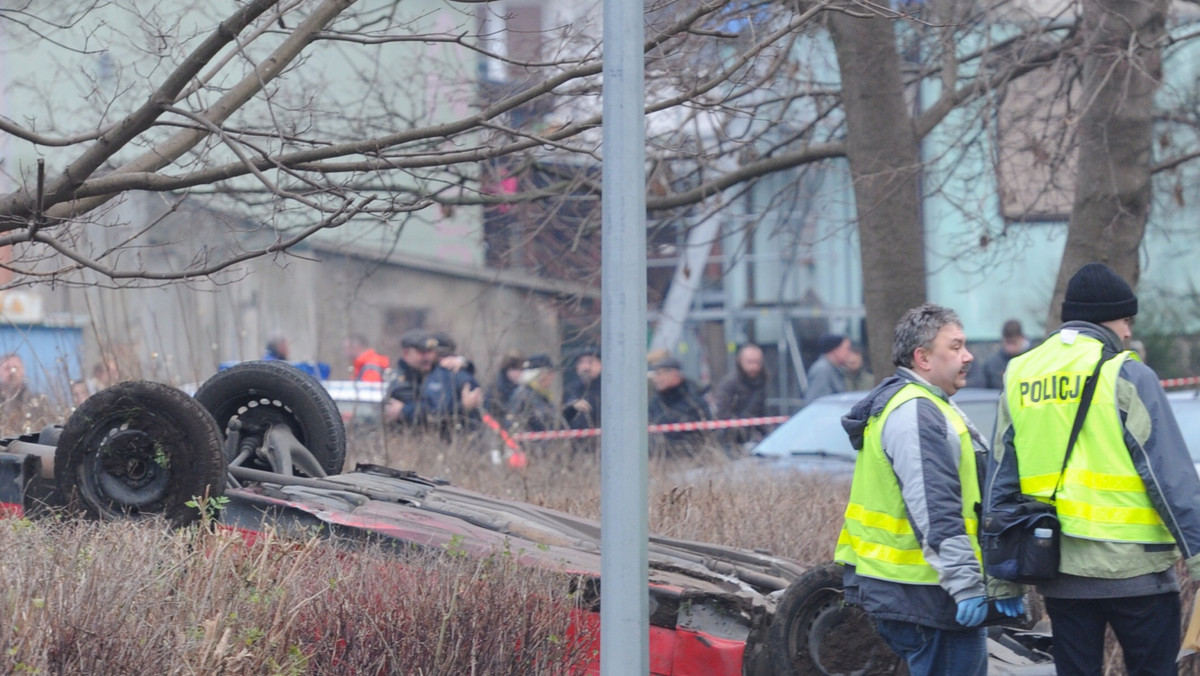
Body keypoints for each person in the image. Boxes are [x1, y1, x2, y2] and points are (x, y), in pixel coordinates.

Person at [985, 262, 1200, 676]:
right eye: (1125, 320)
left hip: (1060, 572)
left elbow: (999, 481)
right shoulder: (1127, 373)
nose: (1128, 332)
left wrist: (1000, 576)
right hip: (1138, 573)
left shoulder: (1019, 374)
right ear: (1108, 319)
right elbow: (1170, 478)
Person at [834, 303, 1023, 676]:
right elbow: (936, 509)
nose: (967, 356)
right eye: (955, 347)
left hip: (917, 591)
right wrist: (967, 586)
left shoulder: (929, 406)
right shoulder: (916, 413)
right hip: (928, 596)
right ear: (922, 357)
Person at [421, 331, 484, 437]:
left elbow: (436, 413)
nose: (425, 356)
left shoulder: (441, 377)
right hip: (469, 439)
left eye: (428, 352)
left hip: (450, 439)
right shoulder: (464, 374)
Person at [648, 355, 712, 455]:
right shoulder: (656, 401)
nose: (656, 379)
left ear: (674, 373)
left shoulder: (693, 400)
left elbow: (705, 434)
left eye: (660, 374)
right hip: (659, 457)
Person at [710, 342, 768, 446]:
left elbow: (761, 412)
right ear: (740, 362)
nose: (754, 367)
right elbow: (722, 413)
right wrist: (740, 429)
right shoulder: (729, 384)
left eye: (757, 363)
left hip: (753, 436)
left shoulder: (761, 383)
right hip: (730, 440)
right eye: (750, 362)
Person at [383, 329, 438, 427]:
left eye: (429, 352)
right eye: (421, 353)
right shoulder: (400, 383)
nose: (427, 358)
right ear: (406, 354)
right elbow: (434, 409)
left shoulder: (437, 372)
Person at [966, 319, 1030, 390]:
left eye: (1014, 342)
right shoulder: (993, 364)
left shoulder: (1032, 360)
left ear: (1022, 338)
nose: (1010, 348)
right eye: (1008, 342)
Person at [506, 354, 562, 432]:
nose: (552, 377)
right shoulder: (523, 395)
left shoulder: (543, 395)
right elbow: (511, 423)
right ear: (538, 375)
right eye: (549, 373)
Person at [0, 353, 53, 434]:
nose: (11, 372)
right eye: (6, 369)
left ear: (23, 370)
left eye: (15, 368)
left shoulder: (38, 402)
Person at [562, 346, 602, 430]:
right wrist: (572, 408)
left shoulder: (608, 388)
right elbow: (562, 419)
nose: (585, 367)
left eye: (590, 362)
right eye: (581, 363)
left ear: (600, 365)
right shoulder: (570, 389)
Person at [805, 333, 853, 402]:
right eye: (847, 349)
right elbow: (818, 402)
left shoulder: (835, 369)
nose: (849, 353)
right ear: (836, 350)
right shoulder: (822, 370)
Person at [487, 350, 526, 423]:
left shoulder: (520, 387)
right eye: (515, 369)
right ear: (507, 370)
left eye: (521, 370)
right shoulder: (498, 387)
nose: (519, 373)